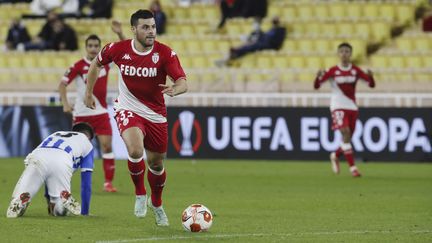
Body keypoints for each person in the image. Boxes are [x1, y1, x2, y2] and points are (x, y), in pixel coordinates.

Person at [84, 9, 187, 226]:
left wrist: (176, 89)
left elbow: (182, 81)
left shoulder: (165, 53)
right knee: (135, 150)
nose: (151, 31)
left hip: (156, 114)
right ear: (134, 30)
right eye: (145, 27)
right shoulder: (117, 49)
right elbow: (96, 64)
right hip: (128, 108)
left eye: (153, 27)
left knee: (156, 164)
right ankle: (140, 193)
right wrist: (88, 92)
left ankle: (156, 203)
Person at [58, 34, 117, 193]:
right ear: (86, 47)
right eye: (90, 46)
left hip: (101, 113)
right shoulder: (77, 66)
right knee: (76, 152)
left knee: (107, 146)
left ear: (99, 47)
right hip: (82, 114)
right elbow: (62, 85)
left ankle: (108, 183)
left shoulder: (105, 64)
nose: (93, 49)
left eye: (95, 46)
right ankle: (64, 183)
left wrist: (118, 34)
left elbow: (125, 51)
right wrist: (65, 103)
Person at [6, 123, 95, 218]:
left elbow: (47, 172)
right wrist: (85, 212)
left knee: (20, 199)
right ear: (89, 137)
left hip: (37, 156)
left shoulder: (56, 134)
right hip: (62, 160)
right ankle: (61, 203)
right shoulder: (87, 144)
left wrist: (48, 200)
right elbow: (86, 182)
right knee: (59, 213)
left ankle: (19, 199)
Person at [313, 42, 376, 177]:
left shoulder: (355, 70)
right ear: (338, 54)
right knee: (345, 133)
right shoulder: (333, 71)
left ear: (351, 54)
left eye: (347, 51)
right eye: (342, 51)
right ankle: (353, 168)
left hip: (352, 107)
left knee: (347, 139)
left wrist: (371, 76)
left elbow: (370, 85)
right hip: (338, 106)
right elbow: (317, 85)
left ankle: (335, 155)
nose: (344, 54)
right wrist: (317, 76)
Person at [216, 16, 286, 66]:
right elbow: (266, 36)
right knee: (249, 45)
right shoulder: (272, 29)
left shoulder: (281, 30)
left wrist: (261, 35)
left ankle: (234, 54)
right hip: (264, 42)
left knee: (252, 45)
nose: (274, 23)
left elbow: (273, 40)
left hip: (271, 45)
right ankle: (232, 56)